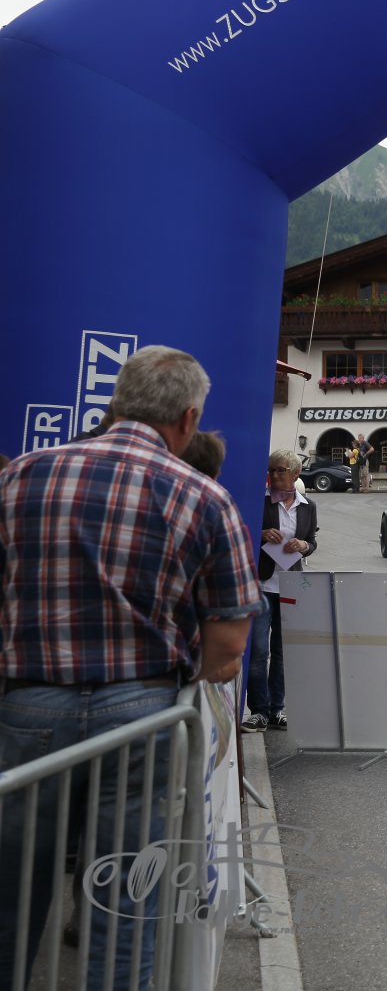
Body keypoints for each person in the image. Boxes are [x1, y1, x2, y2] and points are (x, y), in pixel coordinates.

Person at [0, 345, 259, 991]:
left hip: (29, 704)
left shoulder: (22, 476)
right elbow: (229, 646)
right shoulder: (205, 497)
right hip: (144, 716)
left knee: (11, 892)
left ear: (115, 403)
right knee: (124, 906)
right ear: (189, 417)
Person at [242, 449, 319, 733]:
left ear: (296, 474)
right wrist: (259, 534)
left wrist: (304, 546)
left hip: (290, 585)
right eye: (271, 470)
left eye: (280, 470)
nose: (274, 475)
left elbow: (311, 540)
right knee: (258, 651)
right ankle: (259, 711)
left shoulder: (307, 506)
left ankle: (277, 709)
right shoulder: (258, 501)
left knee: (283, 652)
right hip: (261, 586)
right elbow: (240, 532)